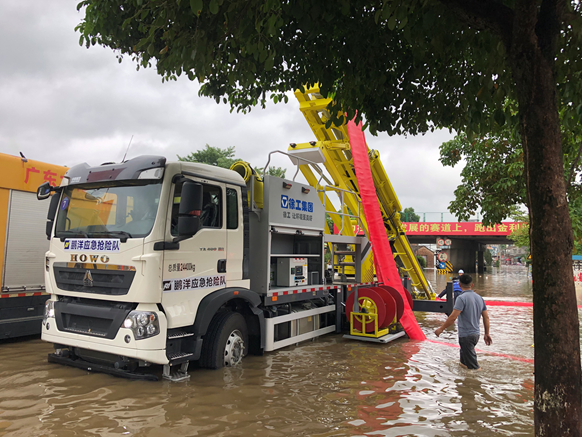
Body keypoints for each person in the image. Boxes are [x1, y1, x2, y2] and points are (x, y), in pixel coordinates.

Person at [434, 274, 492, 369]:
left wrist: (441, 329)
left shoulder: (461, 298)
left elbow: (453, 317)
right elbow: (486, 317)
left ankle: (478, 382)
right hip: (476, 335)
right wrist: (487, 333)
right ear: (472, 285)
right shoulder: (480, 298)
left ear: (460, 285)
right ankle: (463, 382)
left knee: (474, 368)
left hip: (466, 336)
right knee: (463, 364)